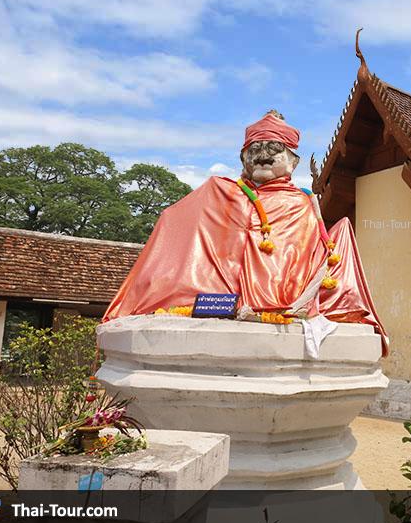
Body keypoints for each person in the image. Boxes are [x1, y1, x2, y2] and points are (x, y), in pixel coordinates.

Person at [104, 110, 387, 357]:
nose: (263, 155)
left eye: (274, 148)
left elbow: (307, 253)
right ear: (243, 159)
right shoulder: (222, 192)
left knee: (343, 233)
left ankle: (272, 301)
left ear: (292, 162)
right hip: (223, 289)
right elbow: (178, 225)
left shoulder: (301, 202)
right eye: (256, 149)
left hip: (287, 291)